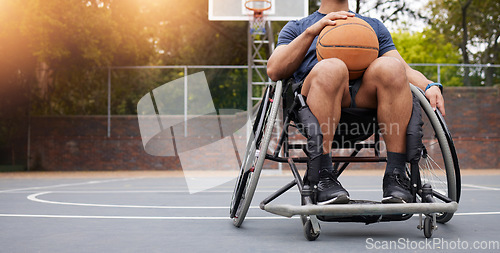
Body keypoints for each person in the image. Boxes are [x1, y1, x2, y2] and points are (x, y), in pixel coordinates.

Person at [267, 0, 445, 205]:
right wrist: (311, 33)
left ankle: (396, 175)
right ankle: (323, 174)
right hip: (313, 108)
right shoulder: (297, 27)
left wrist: (430, 85)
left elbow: (405, 69)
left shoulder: (373, 26)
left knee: (391, 66)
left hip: (364, 109)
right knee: (332, 67)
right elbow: (274, 70)